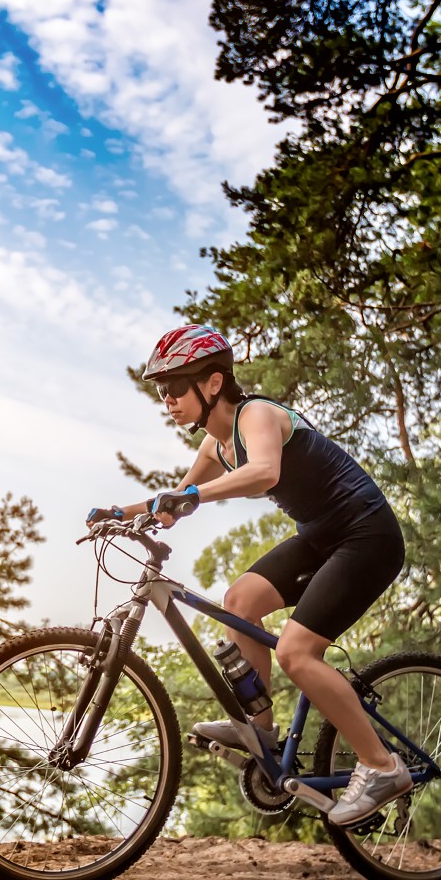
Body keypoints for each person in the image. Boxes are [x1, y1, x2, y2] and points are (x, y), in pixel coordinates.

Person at [86, 324, 410, 828]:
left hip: (367, 535)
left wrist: (190, 497)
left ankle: (381, 766)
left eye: (174, 387)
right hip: (324, 536)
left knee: (296, 653)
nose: (167, 400)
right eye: (161, 391)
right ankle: (261, 732)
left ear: (212, 383)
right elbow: (172, 503)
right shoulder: (216, 446)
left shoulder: (255, 414)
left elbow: (265, 472)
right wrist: (120, 511)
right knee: (239, 601)